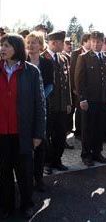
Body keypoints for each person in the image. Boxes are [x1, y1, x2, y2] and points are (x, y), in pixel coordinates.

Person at [0, 34, 46, 220]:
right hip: (2, 132)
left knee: (25, 172)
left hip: (23, 132)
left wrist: (38, 133)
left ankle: (27, 204)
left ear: (17, 48)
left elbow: (40, 104)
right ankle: (6, 205)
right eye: (1, 45)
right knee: (3, 173)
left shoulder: (31, 72)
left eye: (7, 46)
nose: (2, 49)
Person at [75, 31, 106, 166]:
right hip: (89, 100)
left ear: (103, 43)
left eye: (99, 42)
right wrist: (82, 99)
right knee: (88, 129)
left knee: (99, 128)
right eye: (94, 41)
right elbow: (79, 80)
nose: (96, 44)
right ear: (90, 42)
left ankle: (97, 153)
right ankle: (86, 155)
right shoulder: (83, 57)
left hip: (103, 99)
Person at [26, 31, 54, 192]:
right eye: (28, 42)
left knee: (41, 144)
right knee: (26, 146)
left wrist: (39, 98)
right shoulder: (21, 61)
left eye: (34, 42)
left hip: (42, 109)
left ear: (41, 44)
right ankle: (27, 178)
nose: (31, 45)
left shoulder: (47, 63)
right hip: (24, 109)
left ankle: (39, 179)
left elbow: (51, 84)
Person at [41, 31, 72, 174]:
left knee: (60, 135)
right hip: (48, 105)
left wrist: (68, 102)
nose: (64, 45)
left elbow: (67, 84)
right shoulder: (42, 58)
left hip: (60, 105)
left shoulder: (63, 58)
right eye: (61, 42)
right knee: (46, 136)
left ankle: (57, 160)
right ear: (53, 43)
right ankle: (47, 162)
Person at [70, 33, 91, 139]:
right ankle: (78, 131)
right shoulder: (76, 53)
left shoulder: (92, 54)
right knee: (79, 109)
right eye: (90, 41)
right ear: (84, 42)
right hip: (78, 88)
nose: (92, 43)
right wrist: (74, 87)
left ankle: (86, 131)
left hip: (90, 88)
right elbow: (73, 71)